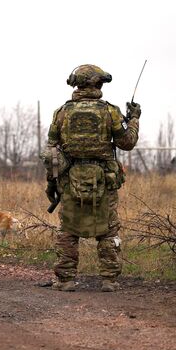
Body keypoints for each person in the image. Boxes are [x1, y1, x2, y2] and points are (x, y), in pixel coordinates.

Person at [41, 64, 141, 292]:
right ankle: (109, 280)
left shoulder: (61, 113)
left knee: (68, 229)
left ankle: (65, 280)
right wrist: (133, 119)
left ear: (76, 85)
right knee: (108, 229)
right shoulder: (110, 112)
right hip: (105, 180)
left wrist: (51, 181)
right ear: (97, 84)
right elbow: (127, 143)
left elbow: (51, 150)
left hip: (69, 181)